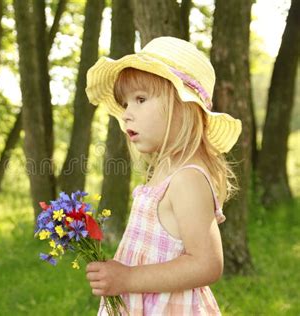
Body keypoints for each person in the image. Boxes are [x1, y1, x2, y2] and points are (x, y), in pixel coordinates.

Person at [84, 36, 243, 315]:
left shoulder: (188, 179)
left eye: (140, 99)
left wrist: (128, 278)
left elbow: (207, 264)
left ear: (183, 106)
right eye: (125, 104)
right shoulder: (162, 172)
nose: (127, 114)